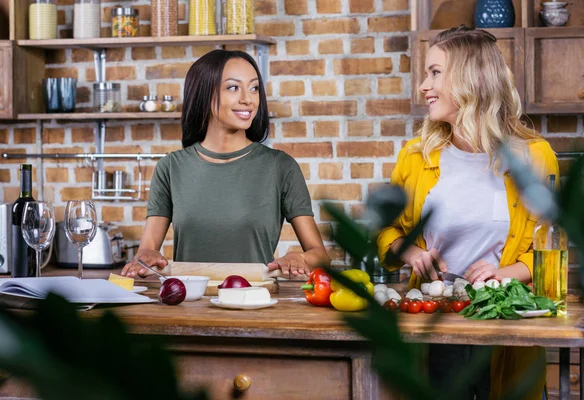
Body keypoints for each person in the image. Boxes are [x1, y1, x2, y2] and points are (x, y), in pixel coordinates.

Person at [377, 26, 558, 399]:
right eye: (426, 74)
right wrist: (413, 253)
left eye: (435, 73)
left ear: (472, 79)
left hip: (507, 329)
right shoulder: (416, 155)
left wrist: (501, 275)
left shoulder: (534, 156)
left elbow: (550, 250)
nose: (423, 86)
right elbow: (386, 231)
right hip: (432, 326)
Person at [122, 49, 330, 279]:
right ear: (204, 94)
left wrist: (298, 257)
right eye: (233, 87)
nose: (248, 99)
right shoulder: (171, 168)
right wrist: (147, 258)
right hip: (188, 303)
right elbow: (146, 251)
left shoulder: (281, 167)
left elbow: (319, 254)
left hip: (254, 302)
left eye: (254, 88)